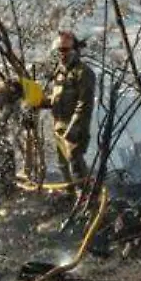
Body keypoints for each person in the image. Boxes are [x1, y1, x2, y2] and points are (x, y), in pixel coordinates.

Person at [43, 31, 96, 192]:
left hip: (74, 127)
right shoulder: (59, 72)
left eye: (65, 50)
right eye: (59, 50)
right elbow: (57, 98)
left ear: (75, 50)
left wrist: (75, 126)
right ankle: (71, 197)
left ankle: (86, 198)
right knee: (62, 165)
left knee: (75, 163)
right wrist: (40, 102)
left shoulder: (83, 72)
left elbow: (84, 104)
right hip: (59, 125)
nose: (61, 54)